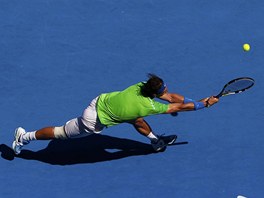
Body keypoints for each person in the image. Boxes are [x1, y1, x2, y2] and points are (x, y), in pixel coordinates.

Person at [12, 74, 219, 154]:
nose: (165, 92)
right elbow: (176, 106)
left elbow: (173, 98)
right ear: (154, 94)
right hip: (92, 121)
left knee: (135, 119)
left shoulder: (141, 86)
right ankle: (23, 137)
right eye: (162, 90)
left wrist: (197, 100)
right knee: (60, 133)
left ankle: (155, 141)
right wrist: (204, 105)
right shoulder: (148, 106)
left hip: (99, 101)